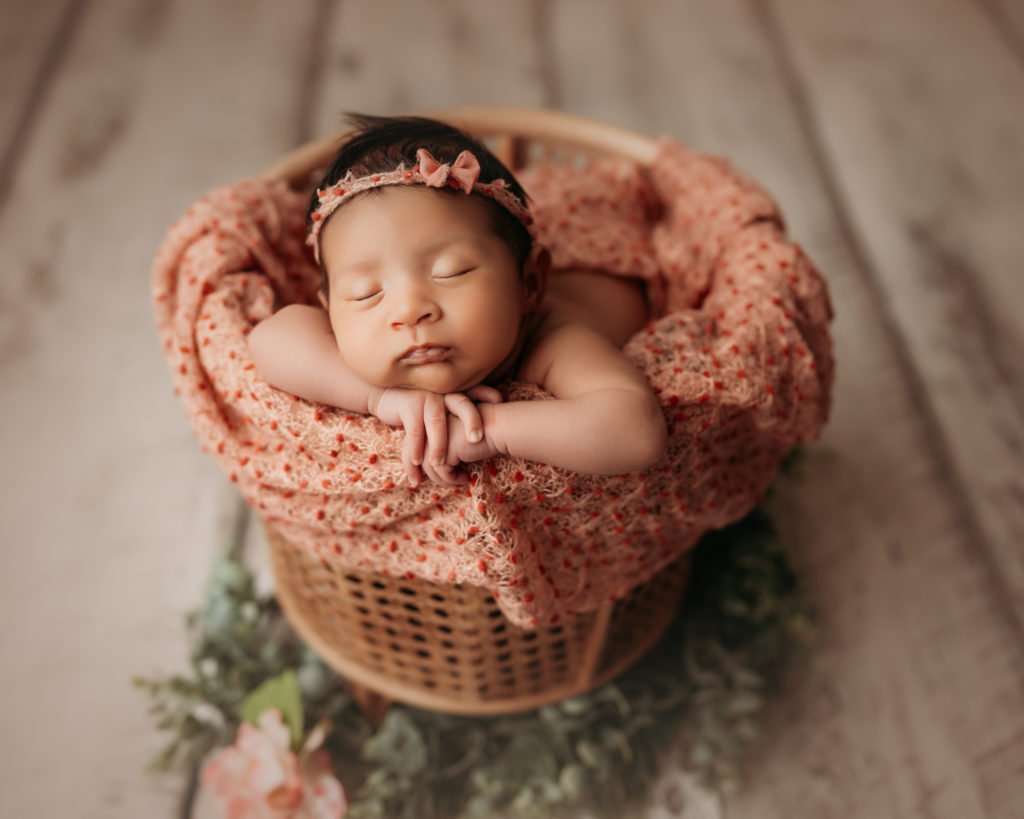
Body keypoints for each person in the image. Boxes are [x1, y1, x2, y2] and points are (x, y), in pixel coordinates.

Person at [247, 113, 665, 489]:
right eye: (366, 293)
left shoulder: (554, 338)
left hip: (602, 271)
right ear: (329, 310)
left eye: (452, 272)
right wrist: (380, 400)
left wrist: (489, 429)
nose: (411, 311)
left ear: (530, 285)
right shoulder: (353, 344)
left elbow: (633, 432)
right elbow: (269, 339)